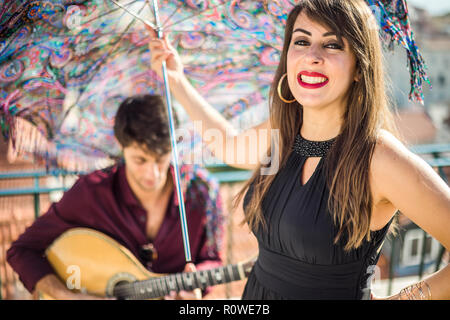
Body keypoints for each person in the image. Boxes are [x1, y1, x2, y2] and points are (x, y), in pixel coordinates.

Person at [148, 0, 450, 300]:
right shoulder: (282, 133)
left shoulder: (379, 158)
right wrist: (177, 81)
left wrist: (405, 299)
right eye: (301, 41)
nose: (312, 56)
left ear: (359, 66)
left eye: (332, 45)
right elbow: (228, 146)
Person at [6, 94, 224, 300]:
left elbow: (213, 260)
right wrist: (68, 295)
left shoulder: (202, 192)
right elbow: (23, 251)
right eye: (140, 160)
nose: (153, 173)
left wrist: (196, 286)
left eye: (161, 158)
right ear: (121, 146)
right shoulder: (92, 192)